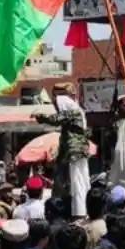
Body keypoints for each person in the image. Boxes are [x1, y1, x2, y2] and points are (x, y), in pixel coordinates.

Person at [35, 83, 90, 217]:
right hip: (69, 152)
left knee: (77, 183)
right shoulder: (75, 113)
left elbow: (56, 119)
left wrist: (41, 117)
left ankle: (79, 212)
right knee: (64, 182)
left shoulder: (73, 111)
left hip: (74, 152)